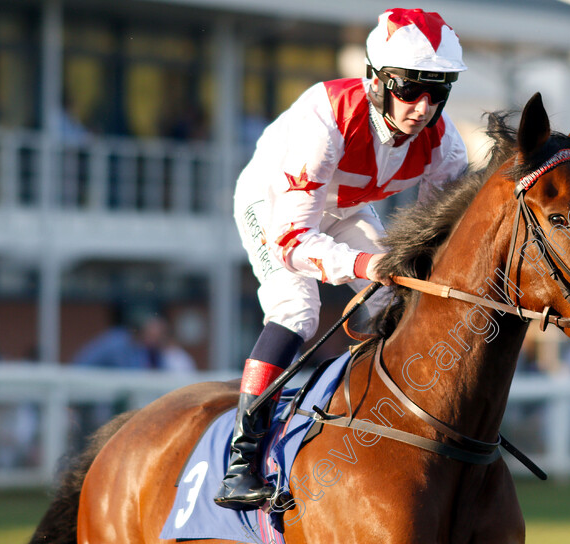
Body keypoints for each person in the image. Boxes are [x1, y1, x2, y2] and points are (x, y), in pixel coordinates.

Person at [215, 8, 468, 510]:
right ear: (376, 80)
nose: (422, 107)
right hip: (273, 205)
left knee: (399, 301)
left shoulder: (445, 145)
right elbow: (291, 238)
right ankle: (241, 461)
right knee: (297, 310)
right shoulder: (324, 122)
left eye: (437, 91)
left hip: (343, 207)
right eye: (409, 89)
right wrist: (360, 266)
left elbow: (442, 241)